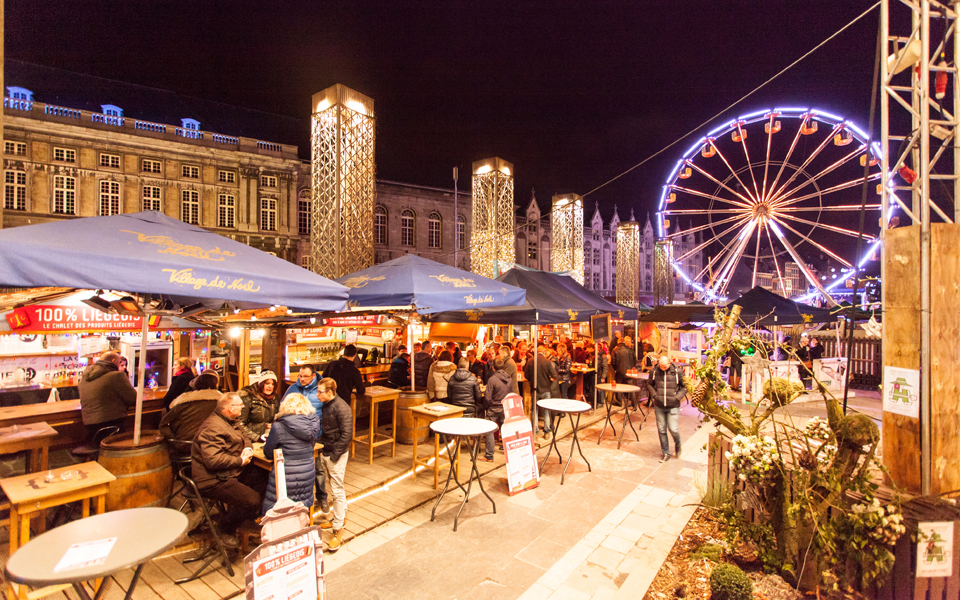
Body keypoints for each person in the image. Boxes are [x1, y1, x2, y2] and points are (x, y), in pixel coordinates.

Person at [191, 393, 268, 548]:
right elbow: (212, 461)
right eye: (240, 405)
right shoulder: (213, 427)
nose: (243, 406)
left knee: (264, 477)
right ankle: (226, 527)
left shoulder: (231, 420)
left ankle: (244, 518)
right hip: (212, 479)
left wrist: (247, 447)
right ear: (230, 408)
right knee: (252, 500)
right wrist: (240, 461)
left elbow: (244, 436)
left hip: (230, 472)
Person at [262, 393, 321, 513]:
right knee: (302, 502)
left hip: (285, 477)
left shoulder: (278, 426)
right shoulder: (313, 424)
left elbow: (268, 453)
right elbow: (312, 445)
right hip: (307, 475)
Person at [283, 365, 328, 513]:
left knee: (318, 468)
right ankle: (300, 502)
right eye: (300, 376)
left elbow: (329, 409)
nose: (302, 379)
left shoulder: (321, 389)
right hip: (296, 436)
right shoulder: (293, 389)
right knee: (300, 470)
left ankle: (322, 498)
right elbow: (283, 407)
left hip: (317, 434)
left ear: (314, 375)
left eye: (305, 376)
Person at [317, 378, 353, 552]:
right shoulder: (327, 404)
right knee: (335, 488)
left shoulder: (342, 407)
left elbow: (347, 434)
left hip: (335, 453)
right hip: (327, 450)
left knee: (337, 489)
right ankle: (340, 518)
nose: (318, 394)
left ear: (330, 392)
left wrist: (334, 455)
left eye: (320, 392)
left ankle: (338, 528)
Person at [78, 351, 137, 442]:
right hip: (112, 425)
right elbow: (133, 399)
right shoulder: (117, 376)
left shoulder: (85, 377)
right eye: (119, 363)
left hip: (89, 426)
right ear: (113, 361)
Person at [159, 371, 221, 456]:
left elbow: (163, 425)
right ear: (216, 385)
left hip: (185, 445)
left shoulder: (182, 401)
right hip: (213, 446)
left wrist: (173, 440)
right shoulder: (222, 402)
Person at [646, 356, 687, 463]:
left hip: (673, 405)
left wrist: (677, 398)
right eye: (661, 366)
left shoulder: (678, 372)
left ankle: (678, 444)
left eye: (665, 366)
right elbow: (649, 384)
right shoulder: (654, 371)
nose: (662, 368)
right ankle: (666, 453)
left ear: (669, 363)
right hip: (659, 405)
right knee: (662, 430)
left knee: (673, 429)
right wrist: (655, 396)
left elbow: (685, 386)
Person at [524, 343, 559, 437]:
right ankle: (547, 431)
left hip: (534, 389)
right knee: (546, 411)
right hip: (546, 389)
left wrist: (532, 380)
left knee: (534, 410)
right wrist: (549, 380)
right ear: (544, 352)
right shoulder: (548, 362)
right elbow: (554, 376)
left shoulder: (531, 361)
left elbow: (526, 375)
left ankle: (534, 431)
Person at [481, 358, 511, 462]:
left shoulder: (492, 379)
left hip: (493, 408)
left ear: (493, 367)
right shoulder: (509, 378)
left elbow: (487, 397)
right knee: (505, 429)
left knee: (489, 430)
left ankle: (489, 455)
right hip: (504, 407)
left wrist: (485, 406)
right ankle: (509, 451)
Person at [238, 371, 280, 442]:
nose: (270, 386)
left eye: (273, 384)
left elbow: (277, 418)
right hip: (250, 440)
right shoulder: (248, 398)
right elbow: (239, 424)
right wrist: (257, 437)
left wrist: (274, 425)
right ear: (261, 384)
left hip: (269, 438)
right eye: (267, 383)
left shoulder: (275, 398)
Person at [613, 336, 638, 407]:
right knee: (631, 387)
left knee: (617, 386)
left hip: (619, 371)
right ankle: (634, 404)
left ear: (618, 343)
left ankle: (619, 402)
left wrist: (616, 369)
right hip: (629, 371)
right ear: (624, 342)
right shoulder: (630, 350)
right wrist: (631, 367)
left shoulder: (615, 350)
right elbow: (634, 360)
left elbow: (613, 362)